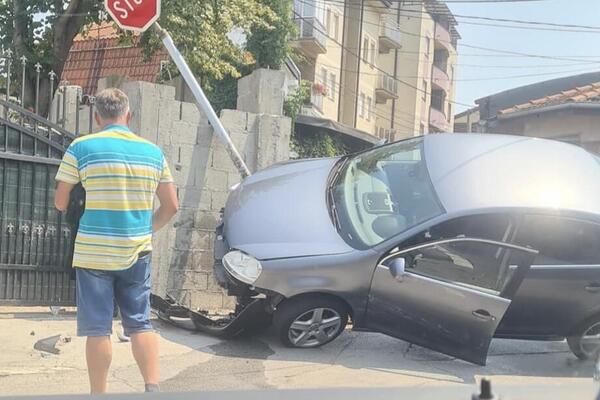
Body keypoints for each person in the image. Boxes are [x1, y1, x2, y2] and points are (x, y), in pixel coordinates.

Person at [54, 88, 179, 394]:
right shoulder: (153, 152)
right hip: (137, 252)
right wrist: (147, 229)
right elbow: (172, 206)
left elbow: (60, 202)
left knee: (98, 328)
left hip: (93, 254)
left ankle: (99, 394)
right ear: (128, 115)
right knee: (139, 322)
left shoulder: (81, 148)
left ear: (97, 117)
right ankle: (152, 387)